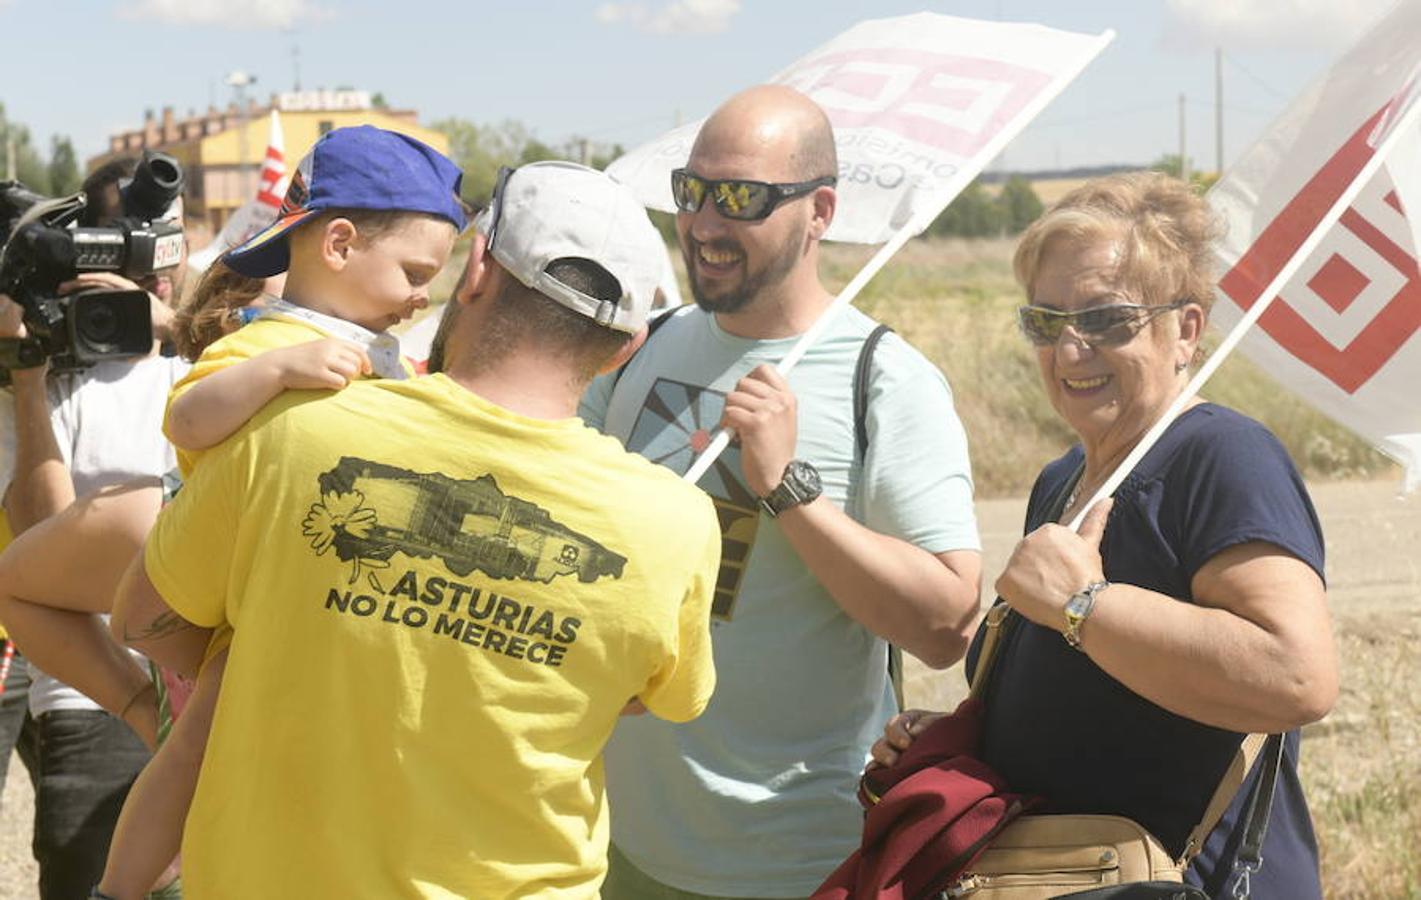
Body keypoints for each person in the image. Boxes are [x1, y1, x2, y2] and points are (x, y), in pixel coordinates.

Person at [109, 160, 722, 898]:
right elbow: (650, 693)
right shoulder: (678, 524)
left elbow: (141, 616)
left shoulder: (293, 429)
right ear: (624, 344)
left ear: (477, 272)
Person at [0, 124, 465, 898]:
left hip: (280, 606)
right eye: (416, 271)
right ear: (340, 244)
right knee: (183, 762)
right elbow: (187, 422)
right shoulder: (267, 340)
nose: (423, 293)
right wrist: (278, 372)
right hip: (218, 604)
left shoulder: (382, 351)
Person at [871, 172, 1337, 898]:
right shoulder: (1063, 479)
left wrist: (1083, 603)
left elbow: (1297, 676)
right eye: (1044, 321)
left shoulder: (1219, 458)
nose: (1069, 350)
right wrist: (959, 740)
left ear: (1185, 329)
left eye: (1105, 320)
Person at [579, 85, 983, 898]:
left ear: (819, 210)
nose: (701, 223)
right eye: (690, 191)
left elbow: (945, 624)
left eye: (740, 199)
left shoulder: (886, 381)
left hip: (801, 857)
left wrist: (789, 490)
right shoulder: (637, 349)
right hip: (617, 841)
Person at [0, 156, 191, 900]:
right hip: (93, 691)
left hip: (213, 681)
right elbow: (41, 541)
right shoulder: (47, 373)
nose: (155, 269)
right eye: (130, 247)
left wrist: (178, 331)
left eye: (166, 246)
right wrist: (27, 375)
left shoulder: (223, 356)